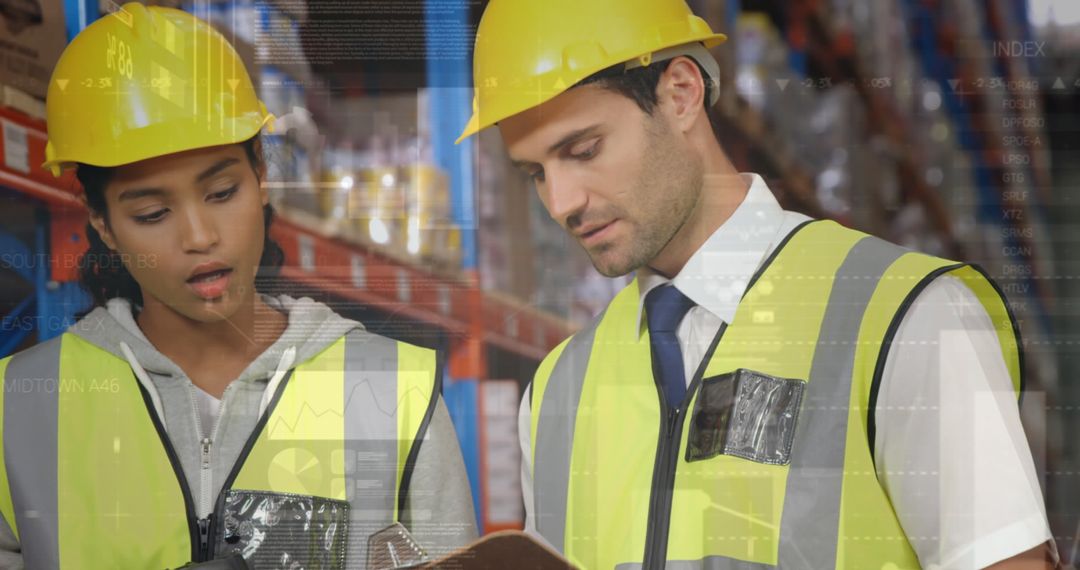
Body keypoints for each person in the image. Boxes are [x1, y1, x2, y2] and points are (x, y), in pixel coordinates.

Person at [458, 0, 1058, 568]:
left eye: (584, 150)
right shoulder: (556, 393)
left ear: (681, 93)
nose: (562, 203)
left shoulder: (909, 319)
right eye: (536, 173)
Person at [0, 4, 475, 568]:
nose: (200, 236)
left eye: (222, 193)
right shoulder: (18, 405)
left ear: (262, 175)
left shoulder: (392, 390)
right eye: (152, 213)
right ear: (102, 224)